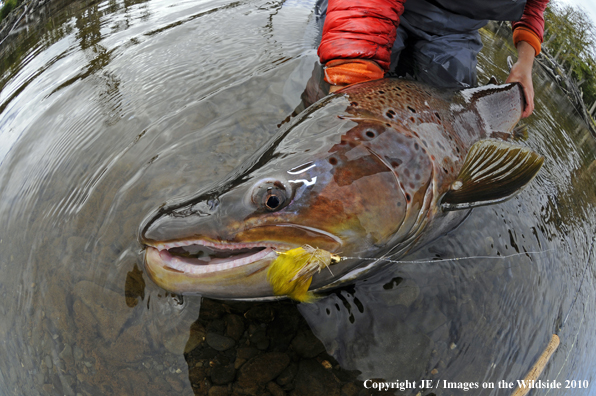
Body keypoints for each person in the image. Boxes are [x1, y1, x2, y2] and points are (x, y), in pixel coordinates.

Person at [316, 0, 549, 118]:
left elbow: (533, 7)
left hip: (457, 30)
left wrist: (524, 65)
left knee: (454, 112)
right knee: (329, 88)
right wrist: (350, 77)